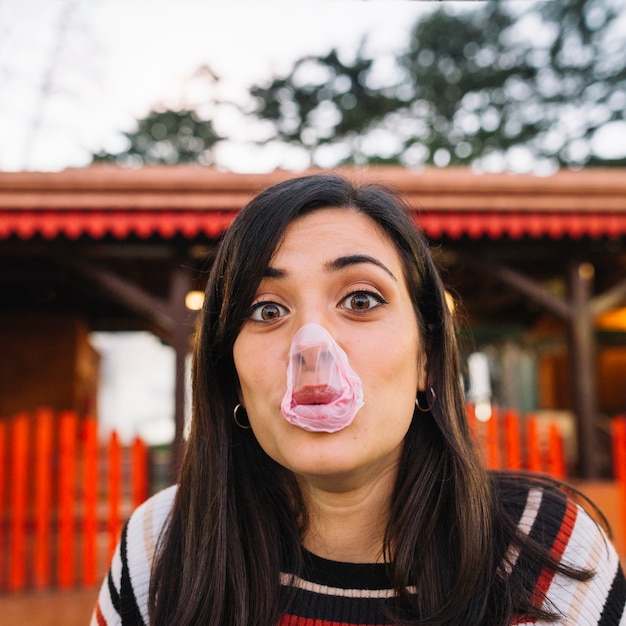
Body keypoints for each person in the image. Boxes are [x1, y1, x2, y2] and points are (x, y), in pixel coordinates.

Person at [92, 173, 626, 626]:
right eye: (267, 310)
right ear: (231, 376)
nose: (312, 349)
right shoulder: (161, 544)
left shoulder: (545, 549)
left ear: (426, 358)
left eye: (361, 299)